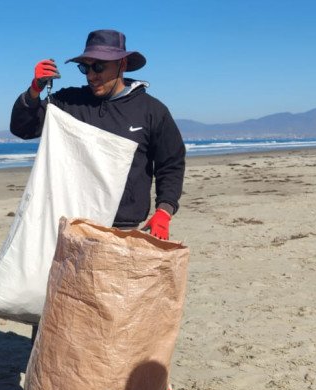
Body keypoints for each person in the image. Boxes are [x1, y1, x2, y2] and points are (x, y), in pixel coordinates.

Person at [10, 29, 185, 240]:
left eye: (99, 67)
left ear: (123, 64)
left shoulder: (151, 111)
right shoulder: (68, 102)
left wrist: (164, 211)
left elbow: (171, 163)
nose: (91, 75)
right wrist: (34, 92)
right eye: (85, 68)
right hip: (73, 224)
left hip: (124, 228)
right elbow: (24, 129)